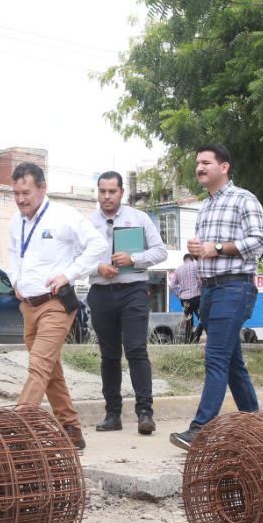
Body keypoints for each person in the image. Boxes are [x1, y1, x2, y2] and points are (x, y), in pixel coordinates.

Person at [171, 144, 263, 451]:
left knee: (215, 357)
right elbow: (208, 250)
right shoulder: (205, 207)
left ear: (224, 167)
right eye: (197, 163)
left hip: (234, 286)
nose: (199, 167)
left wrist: (216, 247)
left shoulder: (244, 199)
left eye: (205, 162)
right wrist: (200, 249)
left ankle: (200, 429)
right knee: (232, 362)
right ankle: (257, 426)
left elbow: (260, 241)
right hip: (210, 289)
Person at [7, 161, 109, 452]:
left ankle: (16, 429)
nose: (20, 199)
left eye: (25, 192)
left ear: (42, 188)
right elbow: (14, 253)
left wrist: (70, 273)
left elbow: (98, 245)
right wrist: (14, 279)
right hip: (28, 305)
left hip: (56, 304)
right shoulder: (16, 222)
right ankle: (71, 428)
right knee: (50, 369)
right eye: (15, 193)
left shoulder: (64, 215)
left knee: (39, 365)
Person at [86, 171, 168, 435]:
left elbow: (160, 251)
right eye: (102, 191)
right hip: (101, 292)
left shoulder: (139, 218)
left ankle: (145, 413)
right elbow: (74, 259)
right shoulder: (87, 223)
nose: (107, 196)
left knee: (135, 350)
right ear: (97, 192)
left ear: (122, 192)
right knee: (109, 355)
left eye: (112, 191)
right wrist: (99, 267)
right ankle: (113, 415)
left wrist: (133, 258)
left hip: (133, 289)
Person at [170, 254, 203, 342]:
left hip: (184, 300)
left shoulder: (178, 270)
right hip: (196, 297)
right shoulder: (196, 266)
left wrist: (179, 294)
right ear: (192, 259)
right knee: (203, 318)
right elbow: (200, 281)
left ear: (184, 260)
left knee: (188, 321)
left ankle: (188, 340)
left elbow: (172, 286)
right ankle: (196, 337)